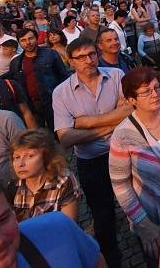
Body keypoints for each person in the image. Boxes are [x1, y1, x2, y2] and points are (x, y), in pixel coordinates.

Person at [52, 37, 131, 268]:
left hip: (125, 153)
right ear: (71, 62)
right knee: (103, 216)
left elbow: (129, 109)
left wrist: (85, 123)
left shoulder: (116, 76)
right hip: (92, 162)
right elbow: (65, 137)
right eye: (81, 57)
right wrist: (109, 127)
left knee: (137, 207)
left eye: (92, 54)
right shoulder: (61, 93)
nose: (89, 60)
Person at [108, 67, 160, 265]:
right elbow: (121, 185)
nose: (154, 94)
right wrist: (144, 224)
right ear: (131, 99)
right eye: (145, 92)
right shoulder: (123, 135)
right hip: (156, 217)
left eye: (156, 87)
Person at [8, 128, 81, 222]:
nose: (21, 164)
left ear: (46, 156)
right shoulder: (12, 187)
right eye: (16, 157)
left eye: (30, 156)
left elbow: (67, 227)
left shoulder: (63, 181)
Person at [9, 28, 70, 130]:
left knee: (58, 131)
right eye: (23, 40)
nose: (28, 43)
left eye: (30, 38)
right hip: (31, 105)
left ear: (37, 39)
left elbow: (63, 76)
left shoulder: (50, 54)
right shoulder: (16, 62)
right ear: (19, 43)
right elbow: (17, 85)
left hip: (52, 101)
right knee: (39, 136)